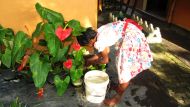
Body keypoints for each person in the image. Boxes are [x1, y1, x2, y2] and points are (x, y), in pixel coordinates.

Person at [77, 19, 153, 106]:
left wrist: (93, 62)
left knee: (124, 70)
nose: (89, 47)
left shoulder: (98, 42)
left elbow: (105, 60)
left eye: (87, 45)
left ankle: (116, 98)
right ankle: (123, 84)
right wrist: (90, 60)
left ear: (90, 41)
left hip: (131, 39)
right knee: (127, 64)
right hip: (134, 32)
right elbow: (105, 52)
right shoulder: (99, 31)